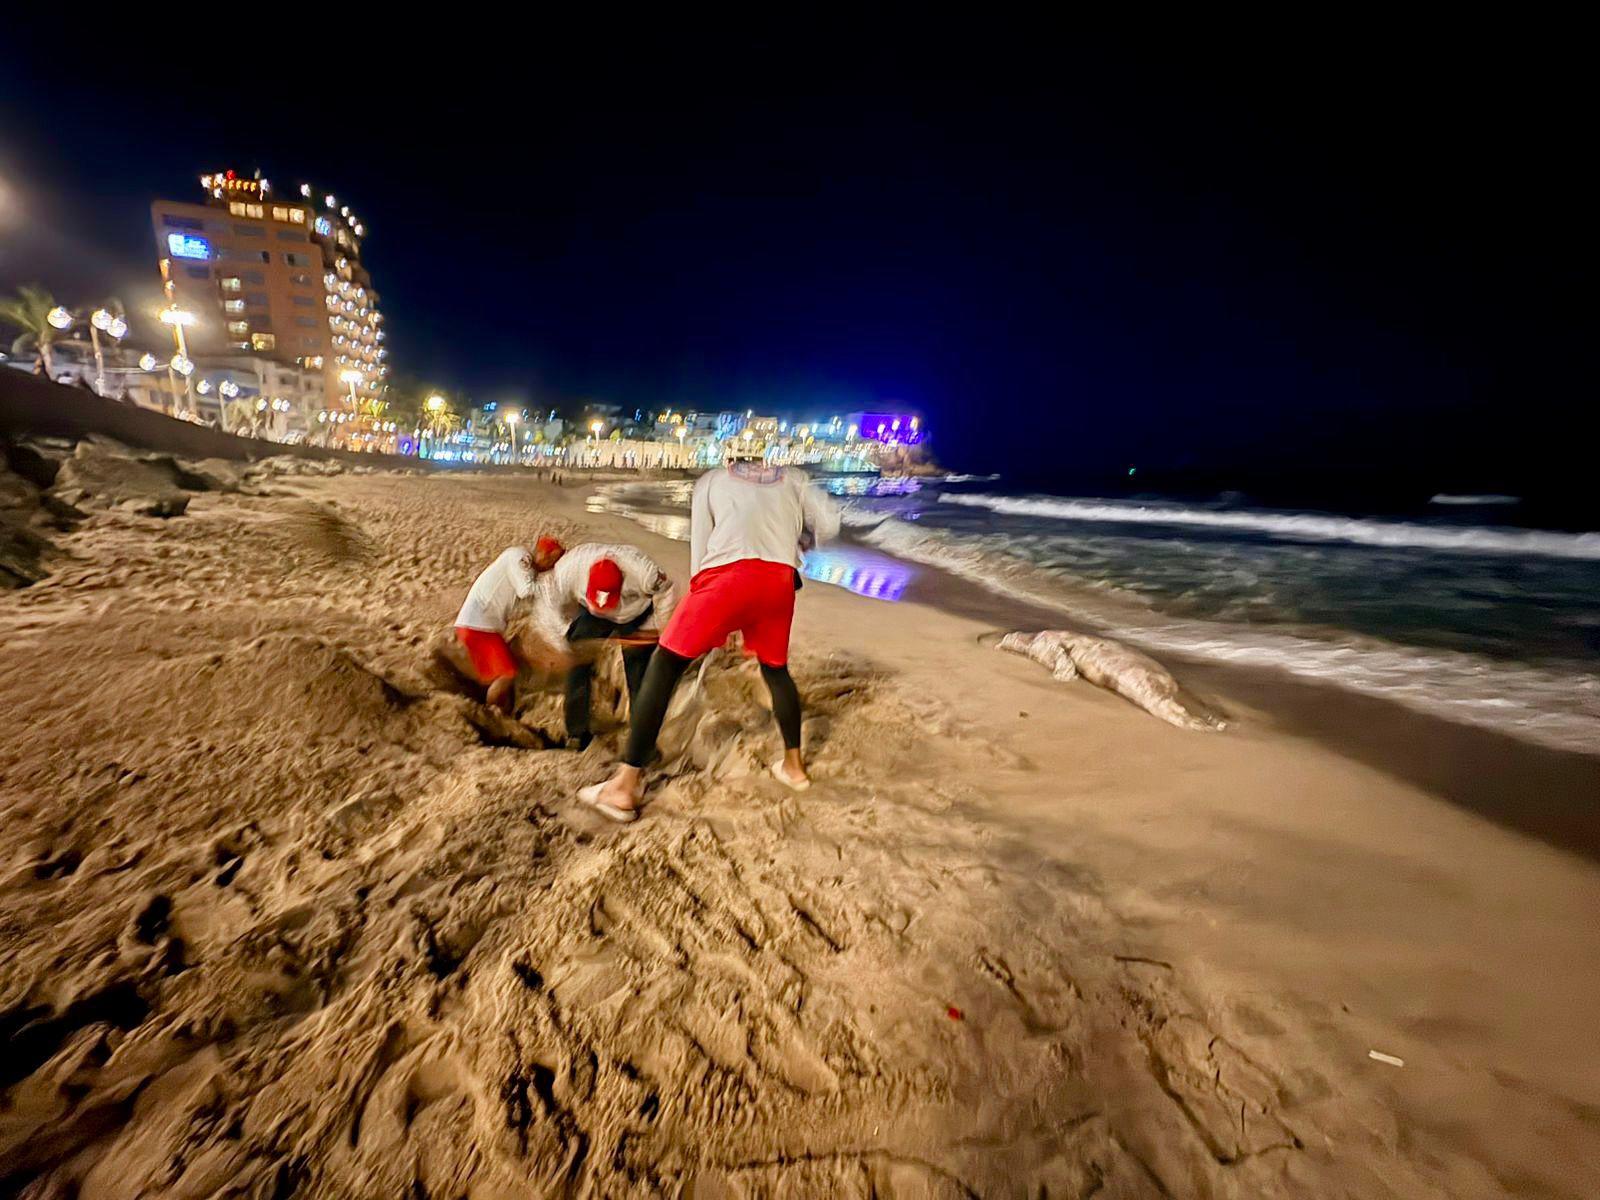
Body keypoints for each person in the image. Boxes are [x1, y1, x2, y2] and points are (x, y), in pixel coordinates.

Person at [578, 449, 841, 822]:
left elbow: (701, 551)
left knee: (665, 663)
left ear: (732, 462)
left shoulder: (712, 481)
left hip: (726, 579)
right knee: (775, 669)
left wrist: (715, 615)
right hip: (779, 582)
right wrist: (804, 538)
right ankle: (794, 768)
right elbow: (829, 521)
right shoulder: (792, 480)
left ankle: (624, 786)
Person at [525, 543, 680, 750]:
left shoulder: (644, 571)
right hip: (592, 614)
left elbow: (667, 591)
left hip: (636, 614)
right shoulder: (569, 569)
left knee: (639, 675)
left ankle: (641, 740)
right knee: (576, 666)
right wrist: (560, 646)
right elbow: (546, 608)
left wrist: (657, 629)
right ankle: (577, 733)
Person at [453, 536, 566, 711]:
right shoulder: (520, 557)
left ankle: (499, 709)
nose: (552, 566)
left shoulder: (527, 570)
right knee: (508, 673)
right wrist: (553, 589)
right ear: (544, 555)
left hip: (480, 625)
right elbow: (526, 590)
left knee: (502, 674)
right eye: (553, 560)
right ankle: (492, 714)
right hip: (479, 625)